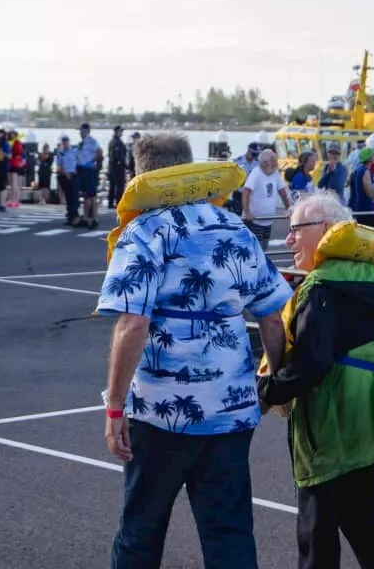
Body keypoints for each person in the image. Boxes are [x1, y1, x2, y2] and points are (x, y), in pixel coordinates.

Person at [96, 131, 291, 569]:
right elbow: (273, 315)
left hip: (160, 410)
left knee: (141, 530)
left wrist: (114, 408)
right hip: (231, 406)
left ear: (142, 174)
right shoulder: (234, 227)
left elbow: (133, 322)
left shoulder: (144, 230)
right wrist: (278, 382)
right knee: (229, 531)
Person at [258, 192, 374, 569]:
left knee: (317, 536)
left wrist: (265, 391)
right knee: (367, 525)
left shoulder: (321, 287)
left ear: (325, 231)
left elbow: (311, 363)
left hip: (334, 431)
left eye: (295, 230)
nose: (289, 239)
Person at [241, 148, 290, 250]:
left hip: (268, 221)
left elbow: (282, 191)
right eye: (273, 161)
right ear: (264, 163)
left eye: (275, 161)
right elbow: (246, 191)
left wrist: (288, 208)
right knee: (255, 250)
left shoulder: (275, 173)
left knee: (265, 249)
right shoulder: (256, 173)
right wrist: (247, 212)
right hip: (254, 221)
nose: (276, 164)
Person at [108, 125, 128, 208]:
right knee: (118, 186)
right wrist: (123, 163)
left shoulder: (118, 141)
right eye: (120, 131)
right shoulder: (115, 142)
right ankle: (118, 203)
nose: (121, 133)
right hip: (116, 167)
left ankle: (111, 203)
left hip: (115, 166)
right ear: (116, 132)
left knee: (113, 186)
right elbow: (115, 156)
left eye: (122, 131)